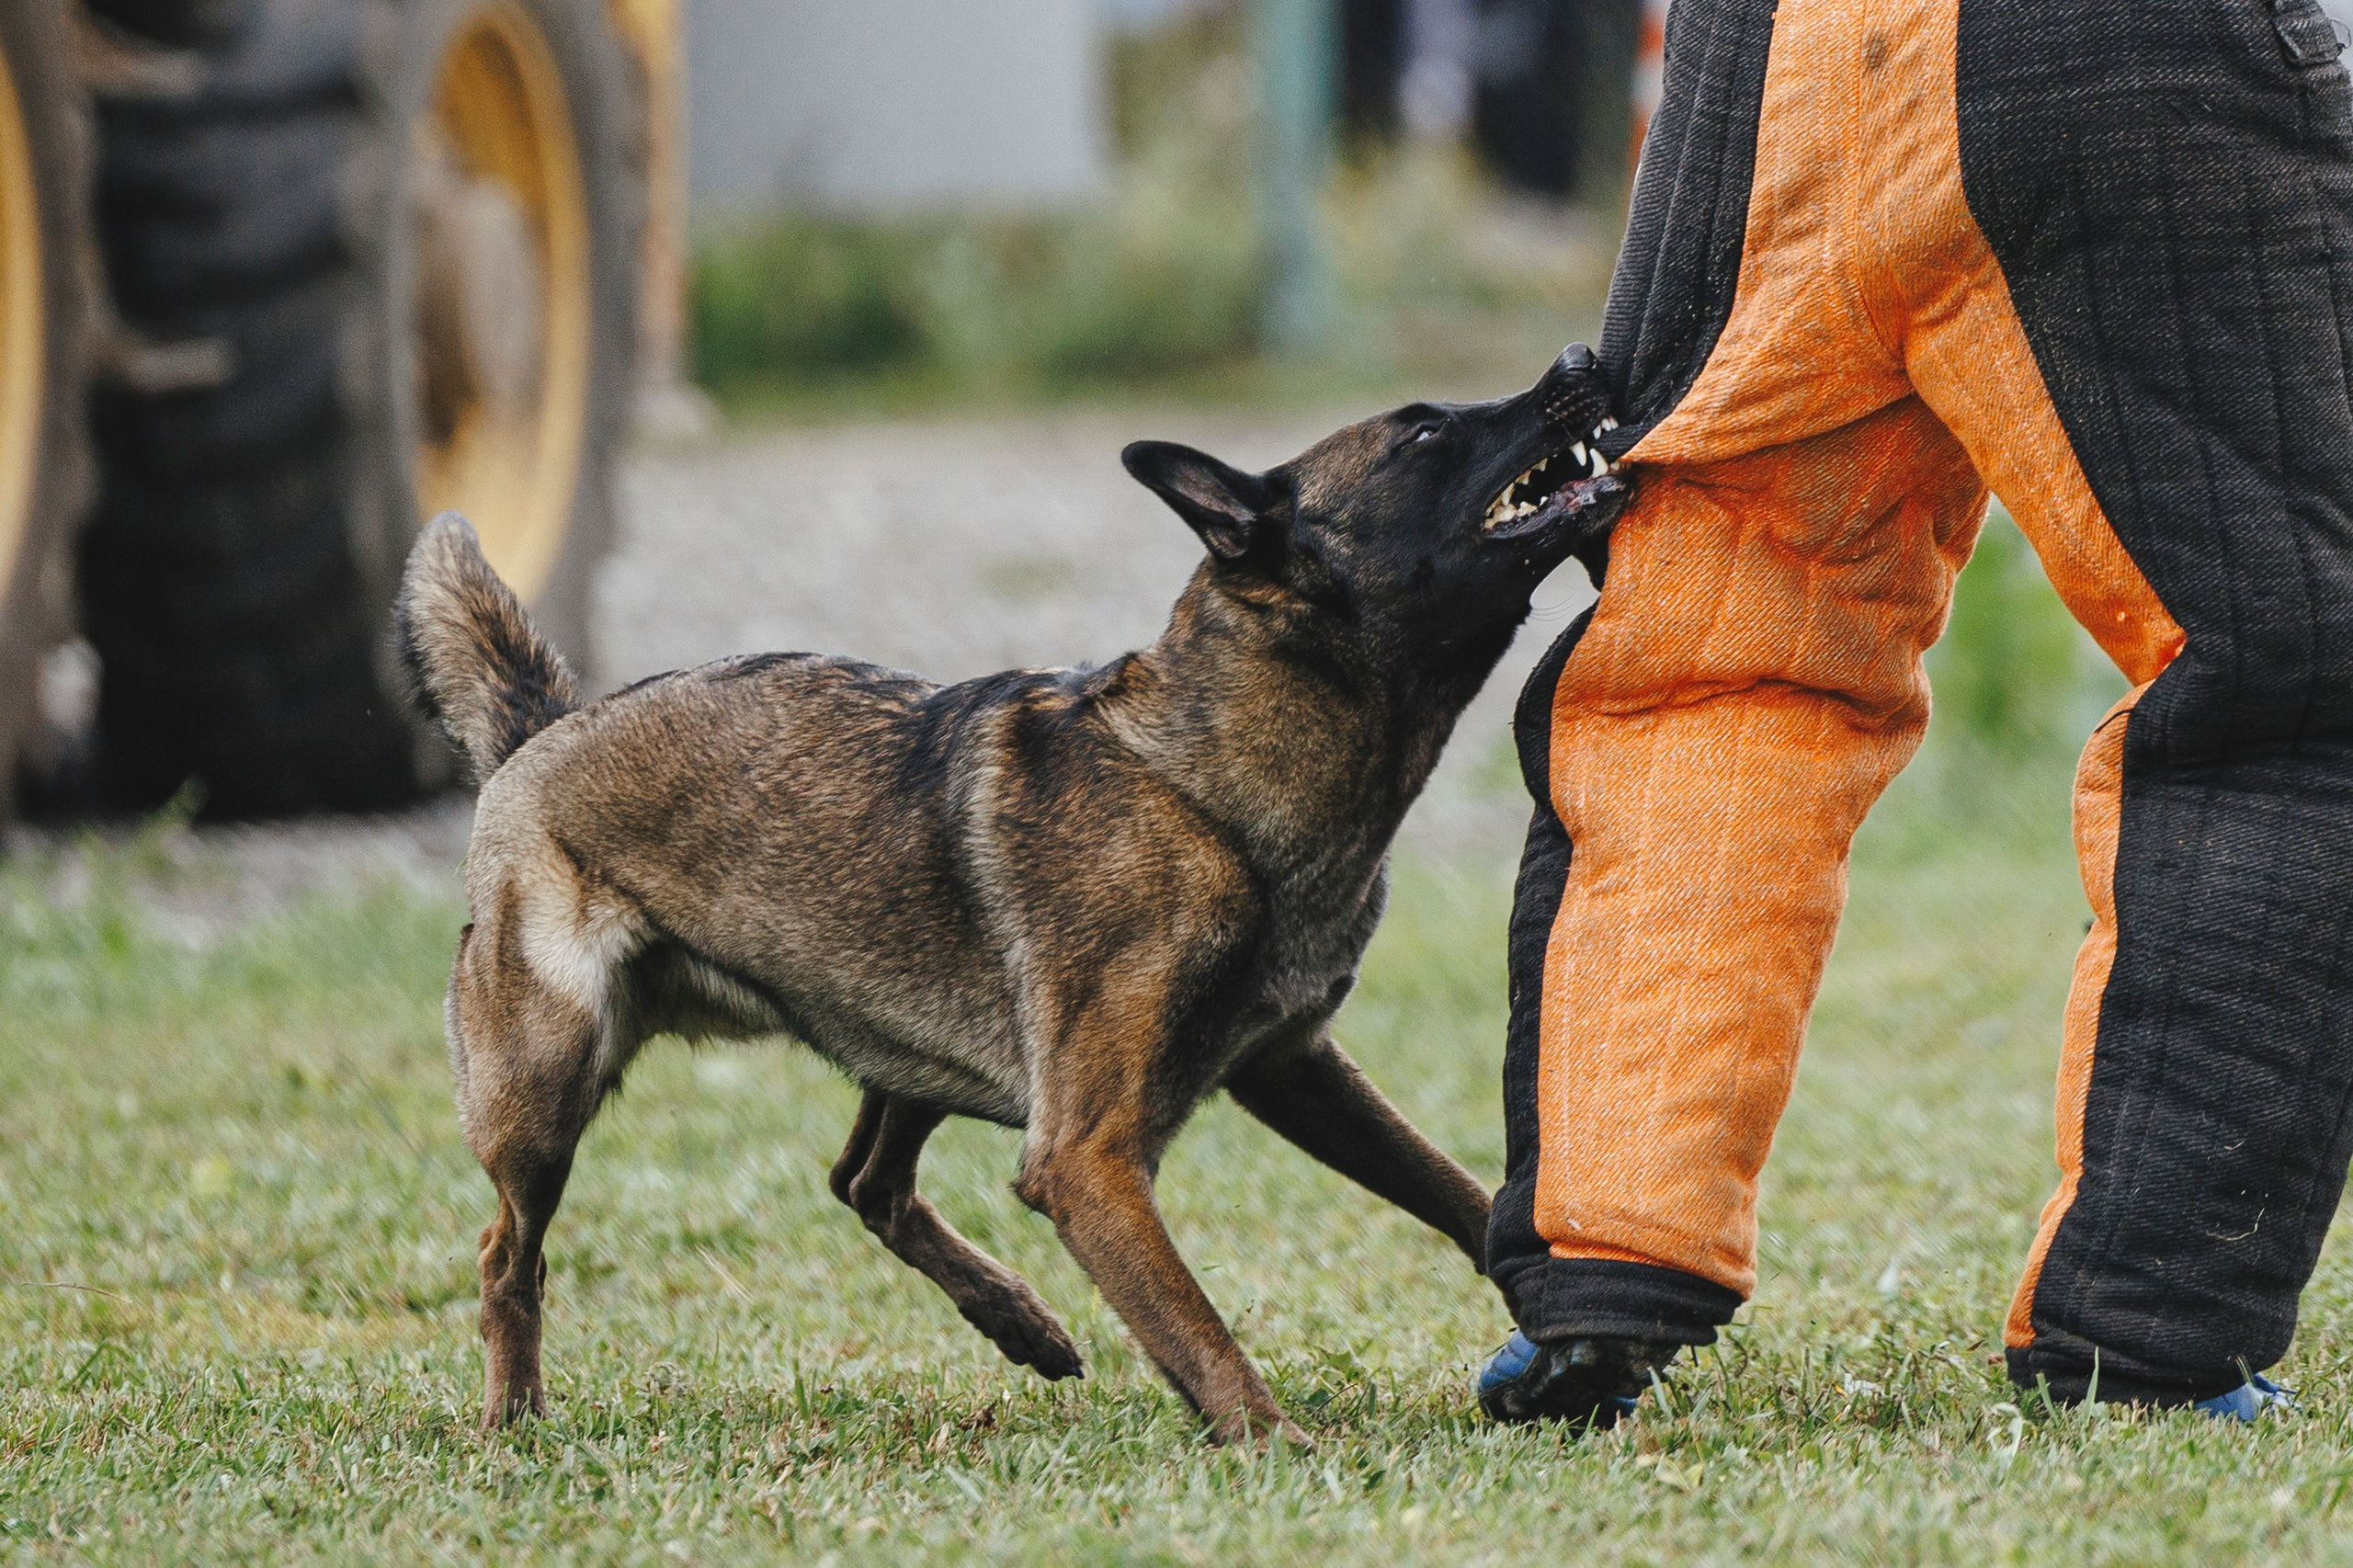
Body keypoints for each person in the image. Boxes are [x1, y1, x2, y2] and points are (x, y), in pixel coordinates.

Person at [1476, 0, 2353, 1426]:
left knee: (1714, 649)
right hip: (2126, 58)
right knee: (2287, 680)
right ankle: (2148, 1334)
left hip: (1768, 64)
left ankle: (1605, 1259)